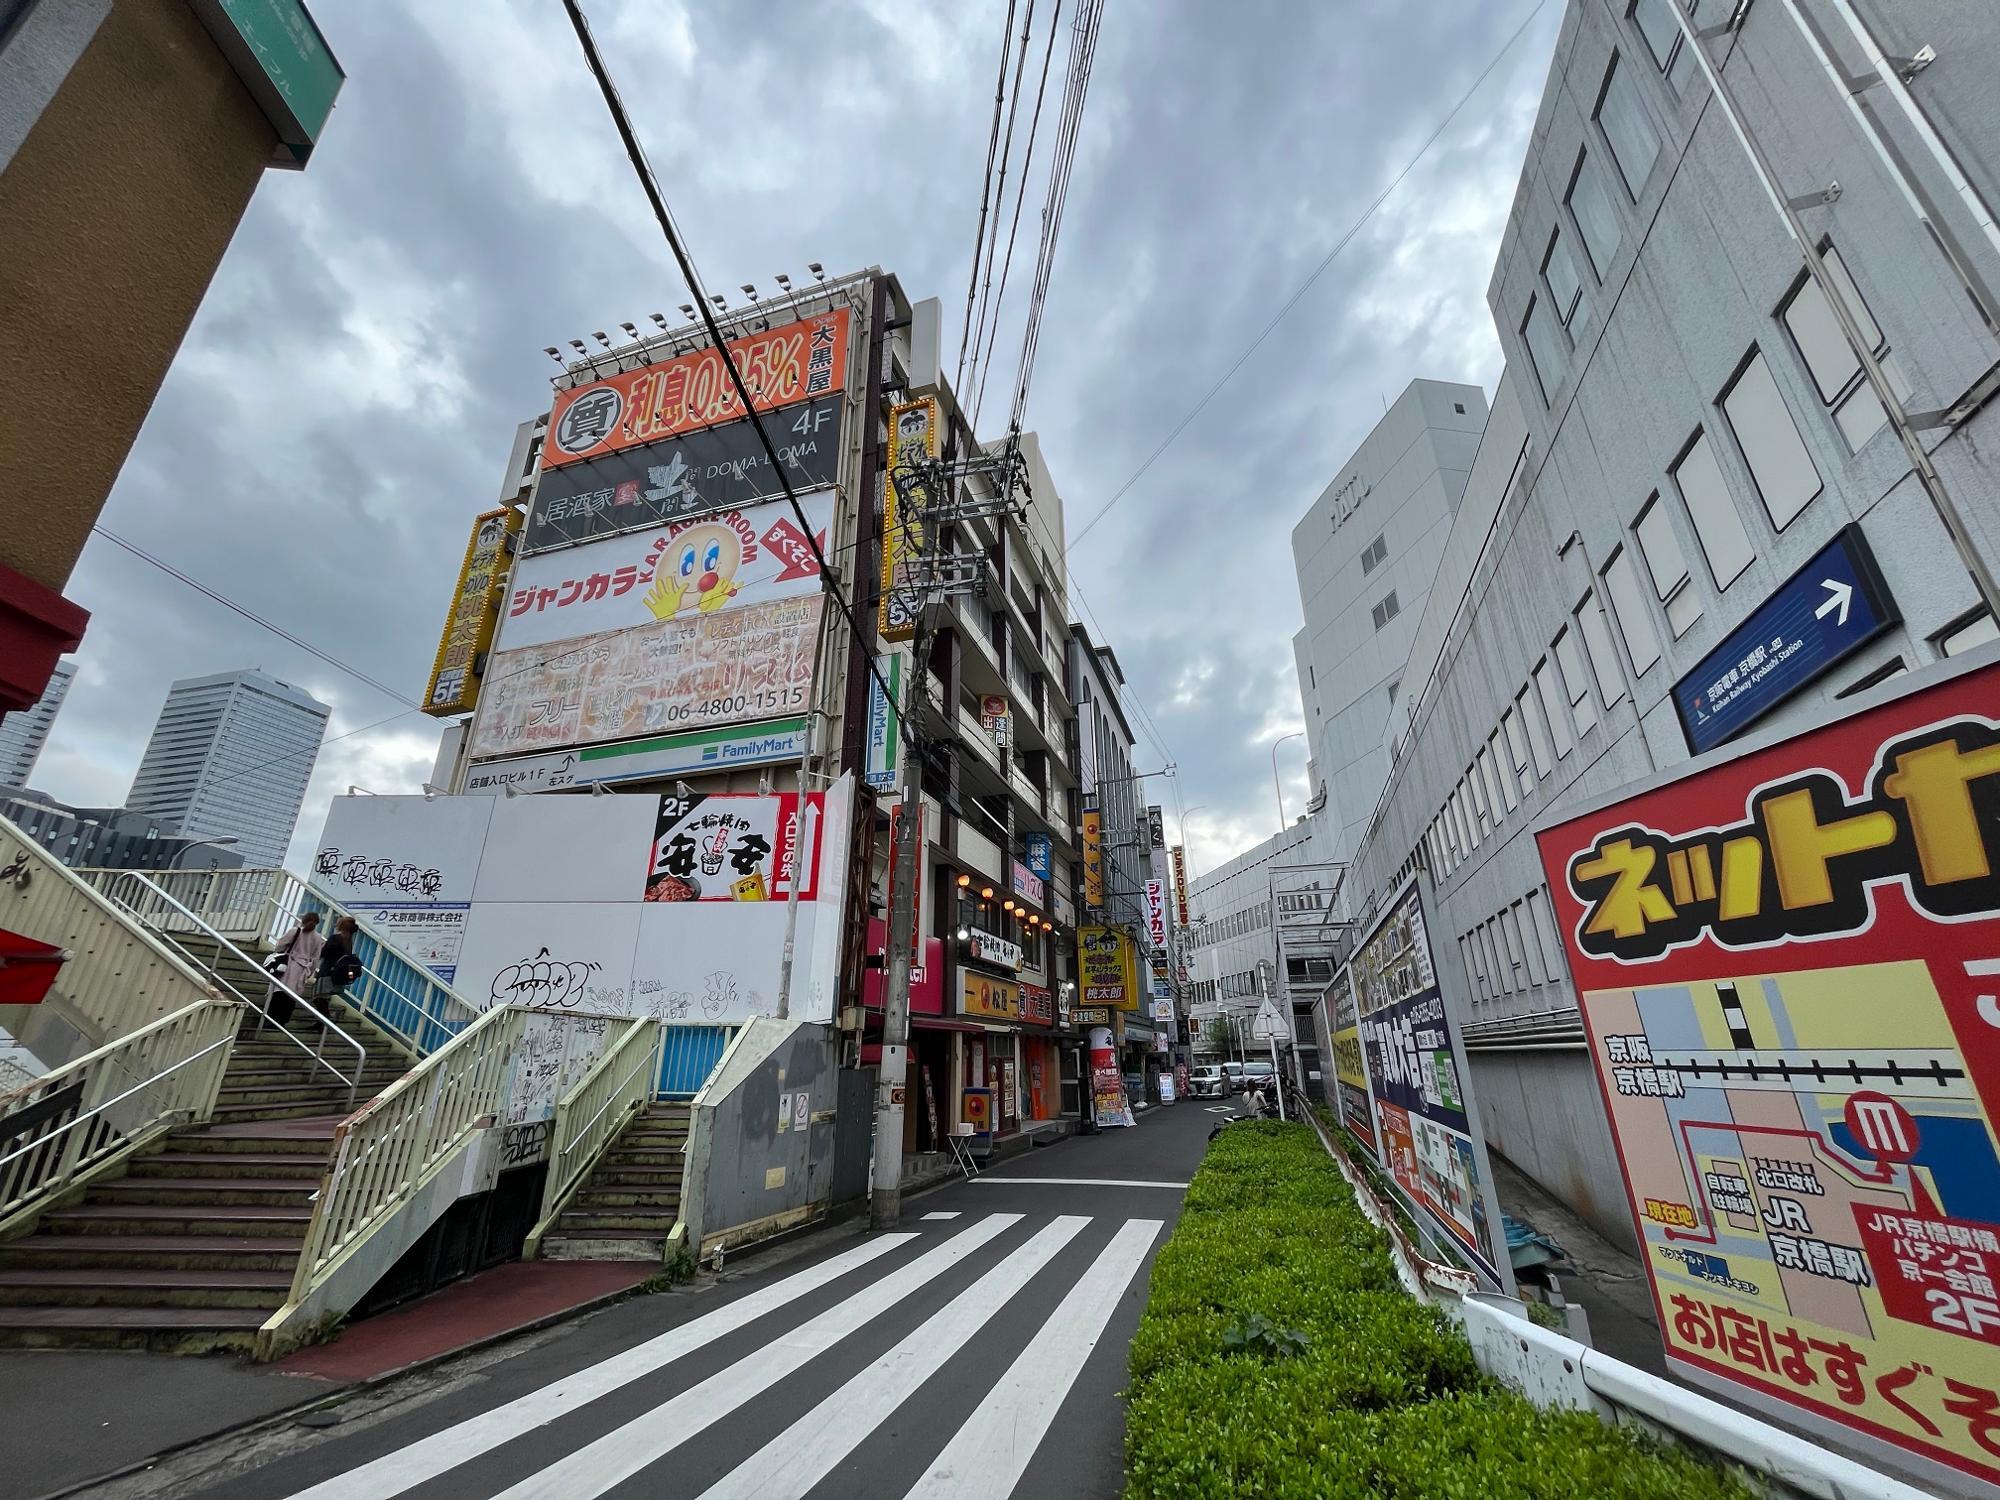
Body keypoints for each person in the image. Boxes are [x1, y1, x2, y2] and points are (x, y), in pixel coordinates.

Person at [265, 911, 323, 1027]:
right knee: (292, 996)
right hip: (303, 969)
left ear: (303, 919)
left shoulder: (295, 931)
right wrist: (310, 972)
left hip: (288, 965)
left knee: (279, 992)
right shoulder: (318, 938)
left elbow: (280, 945)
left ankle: (271, 1019)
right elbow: (315, 958)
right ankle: (283, 1020)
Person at [316, 916, 362, 1001]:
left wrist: (322, 946)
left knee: (318, 999)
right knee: (325, 999)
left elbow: (324, 953)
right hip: (338, 975)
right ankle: (326, 1014)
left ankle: (326, 1015)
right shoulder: (349, 941)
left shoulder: (335, 938)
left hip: (327, 972)